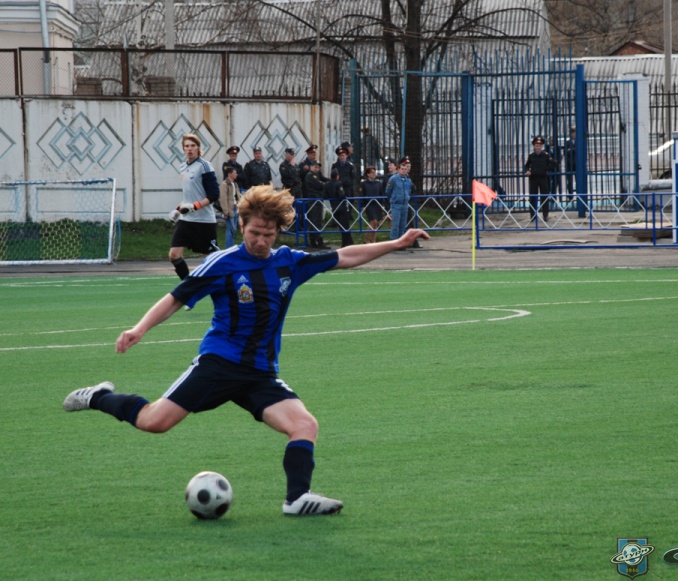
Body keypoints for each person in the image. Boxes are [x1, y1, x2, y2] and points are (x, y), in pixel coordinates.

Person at [63, 184, 430, 516]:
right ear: (242, 226)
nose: (260, 241)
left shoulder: (289, 262)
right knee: (154, 422)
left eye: (268, 234)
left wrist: (396, 243)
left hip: (260, 373)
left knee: (304, 425)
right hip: (219, 364)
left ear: (277, 232)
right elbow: (176, 298)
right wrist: (139, 328)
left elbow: (344, 256)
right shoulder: (222, 263)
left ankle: (297, 498)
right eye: (254, 232)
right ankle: (98, 396)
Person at [168, 134, 220, 280]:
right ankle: (189, 286)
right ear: (183, 149)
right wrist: (177, 210)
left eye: (193, 146)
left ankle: (227, 283)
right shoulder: (183, 166)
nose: (190, 149)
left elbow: (214, 194)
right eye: (187, 146)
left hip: (204, 221)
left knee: (212, 258)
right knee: (174, 255)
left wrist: (195, 206)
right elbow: (189, 196)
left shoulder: (204, 166)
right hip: (186, 220)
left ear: (198, 148)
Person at [524, 136, 557, 223]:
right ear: (534, 146)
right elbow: (526, 165)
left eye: (539, 146)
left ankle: (545, 215)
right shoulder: (531, 155)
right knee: (533, 197)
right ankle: (533, 216)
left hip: (543, 178)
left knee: (544, 197)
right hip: (533, 178)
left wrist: (546, 169)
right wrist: (527, 171)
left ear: (542, 147)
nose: (538, 147)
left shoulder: (545, 155)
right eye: (536, 146)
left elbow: (554, 164)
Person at [385, 156, 414, 241]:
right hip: (396, 204)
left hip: (405, 204)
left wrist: (407, 197)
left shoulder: (408, 180)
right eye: (402, 169)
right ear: (398, 169)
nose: (404, 170)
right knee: (395, 225)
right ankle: (393, 241)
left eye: (405, 169)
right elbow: (388, 191)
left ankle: (400, 241)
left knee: (402, 225)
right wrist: (394, 198)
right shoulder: (393, 179)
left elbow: (409, 190)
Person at [324, 168, 354, 248]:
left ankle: (346, 243)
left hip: (334, 207)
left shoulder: (327, 184)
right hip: (342, 206)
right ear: (337, 176)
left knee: (340, 226)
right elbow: (341, 195)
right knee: (345, 225)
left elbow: (325, 196)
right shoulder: (339, 183)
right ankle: (348, 243)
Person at [303, 160, 329, 249]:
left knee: (316, 220)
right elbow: (319, 184)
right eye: (315, 167)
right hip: (314, 200)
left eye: (318, 167)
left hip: (317, 200)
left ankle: (314, 240)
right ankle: (317, 240)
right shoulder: (310, 176)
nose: (317, 169)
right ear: (311, 167)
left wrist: (331, 181)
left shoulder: (316, 174)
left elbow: (323, 179)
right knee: (315, 221)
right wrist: (329, 185)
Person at [361, 166, 385, 244]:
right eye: (372, 173)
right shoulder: (364, 183)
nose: (374, 174)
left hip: (377, 205)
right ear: (368, 174)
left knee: (376, 223)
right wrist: (363, 205)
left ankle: (374, 240)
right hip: (369, 205)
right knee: (373, 221)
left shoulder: (378, 183)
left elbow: (381, 194)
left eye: (375, 172)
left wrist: (382, 205)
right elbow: (362, 194)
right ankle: (367, 239)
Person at [219, 166, 241, 248]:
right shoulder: (224, 184)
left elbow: (238, 196)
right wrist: (226, 211)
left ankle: (231, 246)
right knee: (230, 229)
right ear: (229, 174)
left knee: (234, 229)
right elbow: (223, 198)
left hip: (235, 208)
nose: (236, 174)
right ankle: (228, 247)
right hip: (229, 209)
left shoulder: (235, 184)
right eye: (235, 173)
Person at [564, 125, 577, 195]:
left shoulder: (579, 141)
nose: (573, 134)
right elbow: (565, 152)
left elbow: (580, 151)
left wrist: (571, 150)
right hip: (569, 164)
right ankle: (570, 196)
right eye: (571, 132)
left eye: (574, 132)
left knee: (579, 180)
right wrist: (573, 150)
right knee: (569, 181)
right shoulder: (567, 142)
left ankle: (579, 196)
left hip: (577, 164)